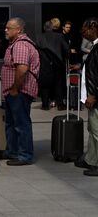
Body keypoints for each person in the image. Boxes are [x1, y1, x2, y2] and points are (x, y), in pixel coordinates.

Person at [0, 17, 40, 166]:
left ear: (19, 30)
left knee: (21, 124)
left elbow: (22, 69)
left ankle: (24, 155)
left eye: (9, 28)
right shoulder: (15, 44)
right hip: (13, 92)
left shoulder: (21, 45)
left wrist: (15, 89)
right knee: (11, 123)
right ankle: (12, 151)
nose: (6, 30)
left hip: (19, 91)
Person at [72, 18, 98, 176]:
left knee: (96, 131)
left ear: (94, 28)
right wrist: (81, 66)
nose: (83, 32)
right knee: (92, 128)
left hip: (94, 96)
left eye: (85, 28)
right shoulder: (95, 46)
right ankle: (91, 159)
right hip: (91, 95)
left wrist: (94, 95)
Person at [36, 20, 68, 110]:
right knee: (58, 84)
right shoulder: (59, 36)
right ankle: (60, 104)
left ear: (44, 28)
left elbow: (36, 51)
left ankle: (45, 104)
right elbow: (66, 49)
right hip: (57, 64)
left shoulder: (39, 37)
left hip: (44, 64)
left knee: (45, 85)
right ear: (52, 27)